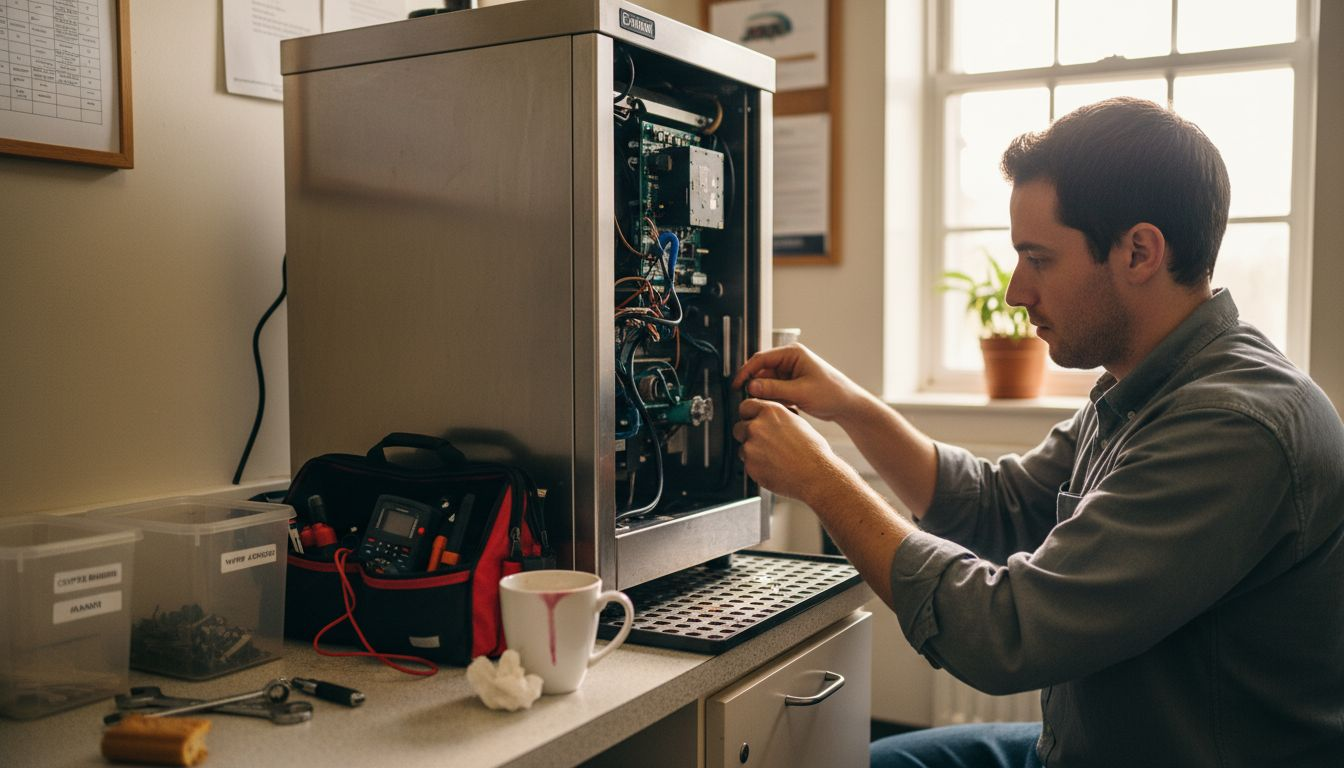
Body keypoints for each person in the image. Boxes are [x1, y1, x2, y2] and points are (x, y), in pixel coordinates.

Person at [731, 97, 1344, 767]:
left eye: (1040, 258)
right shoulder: (1146, 386)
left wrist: (821, 480)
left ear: (1139, 251)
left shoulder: (1232, 428)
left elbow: (1006, 634)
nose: (1016, 292)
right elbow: (998, 504)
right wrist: (850, 405)